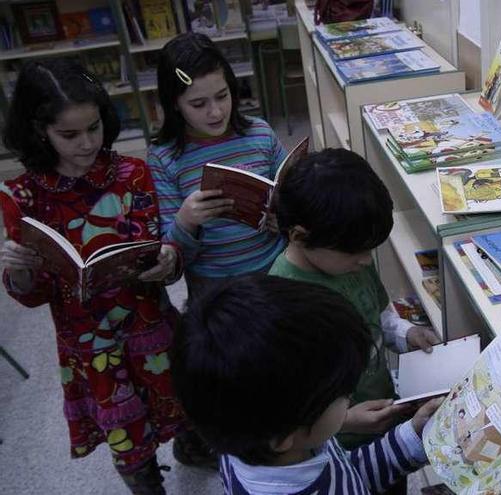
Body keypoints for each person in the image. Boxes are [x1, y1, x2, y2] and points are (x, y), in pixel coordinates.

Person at [0, 59, 210, 494]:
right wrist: (18, 272)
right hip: (87, 341)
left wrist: (168, 260)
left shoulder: (131, 174)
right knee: (125, 430)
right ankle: (147, 483)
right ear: (40, 130)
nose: (87, 144)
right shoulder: (23, 197)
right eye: (69, 135)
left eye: (94, 128)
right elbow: (32, 294)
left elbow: (153, 251)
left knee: (181, 399)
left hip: (147, 321)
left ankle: (191, 447)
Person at [171, 274, 442, 495]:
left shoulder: (245, 439)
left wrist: (412, 436)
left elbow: (346, 474)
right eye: (342, 395)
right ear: (282, 438)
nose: (349, 399)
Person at [271, 148, 439, 448]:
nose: (365, 260)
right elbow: (285, 405)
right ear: (299, 236)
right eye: (355, 251)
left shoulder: (350, 256)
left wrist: (407, 334)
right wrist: (345, 420)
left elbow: (378, 314)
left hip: (382, 411)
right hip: (333, 442)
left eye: (370, 249)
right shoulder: (284, 302)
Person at [148, 32, 286, 299]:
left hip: (276, 269)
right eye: (198, 104)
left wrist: (285, 219)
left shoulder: (260, 133)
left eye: (222, 96)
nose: (216, 112)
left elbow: (292, 193)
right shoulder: (163, 156)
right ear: (174, 104)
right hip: (212, 286)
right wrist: (185, 220)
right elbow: (170, 254)